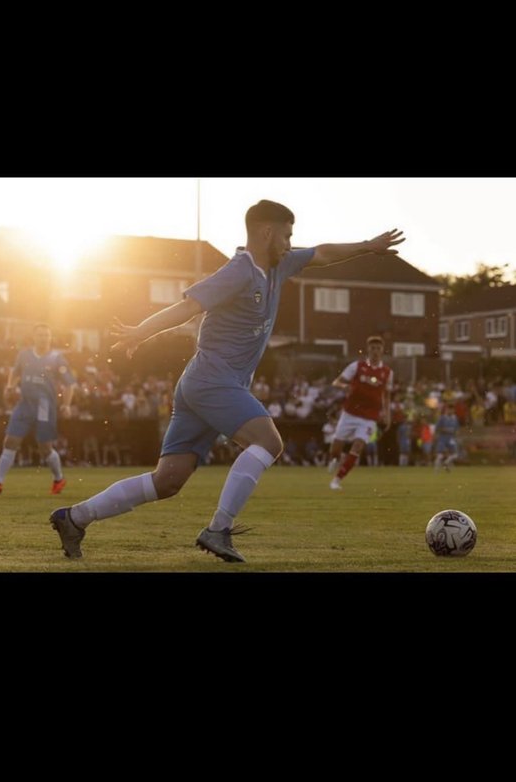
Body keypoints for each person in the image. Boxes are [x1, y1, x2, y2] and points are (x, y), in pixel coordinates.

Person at [49, 201, 404, 561]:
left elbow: (323, 253)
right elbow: (188, 306)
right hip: (212, 380)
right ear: (267, 233)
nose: (290, 243)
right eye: (287, 235)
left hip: (202, 383)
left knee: (167, 481)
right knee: (269, 442)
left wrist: (367, 246)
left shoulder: (279, 267)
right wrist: (141, 332)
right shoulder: (240, 271)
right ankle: (219, 529)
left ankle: (74, 518)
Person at [0, 323, 76, 494]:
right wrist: (10, 386)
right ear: (34, 337)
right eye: (40, 335)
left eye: (47, 335)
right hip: (24, 404)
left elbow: (69, 384)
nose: (44, 338)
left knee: (44, 447)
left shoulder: (57, 358)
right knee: (10, 441)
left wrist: (67, 405)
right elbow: (15, 372)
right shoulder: (24, 355)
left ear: (50, 338)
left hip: (44, 406)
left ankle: (59, 479)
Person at [327, 337, 393, 490]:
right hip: (350, 413)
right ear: (368, 350)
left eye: (378, 348)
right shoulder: (356, 366)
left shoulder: (387, 372)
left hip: (369, 417)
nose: (375, 351)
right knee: (335, 449)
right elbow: (337, 382)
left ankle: (337, 480)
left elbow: (387, 395)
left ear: (382, 351)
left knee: (358, 446)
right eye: (372, 348)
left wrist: (387, 415)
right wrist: (345, 387)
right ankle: (335, 458)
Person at [433, 403, 460, 472]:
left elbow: (456, 428)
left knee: (455, 454)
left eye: (452, 410)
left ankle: (446, 463)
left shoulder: (455, 418)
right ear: (446, 410)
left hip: (451, 438)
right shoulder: (442, 418)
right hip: (443, 437)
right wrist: (445, 430)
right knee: (440, 455)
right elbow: (437, 428)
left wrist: (456, 432)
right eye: (449, 409)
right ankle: (436, 471)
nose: (450, 411)